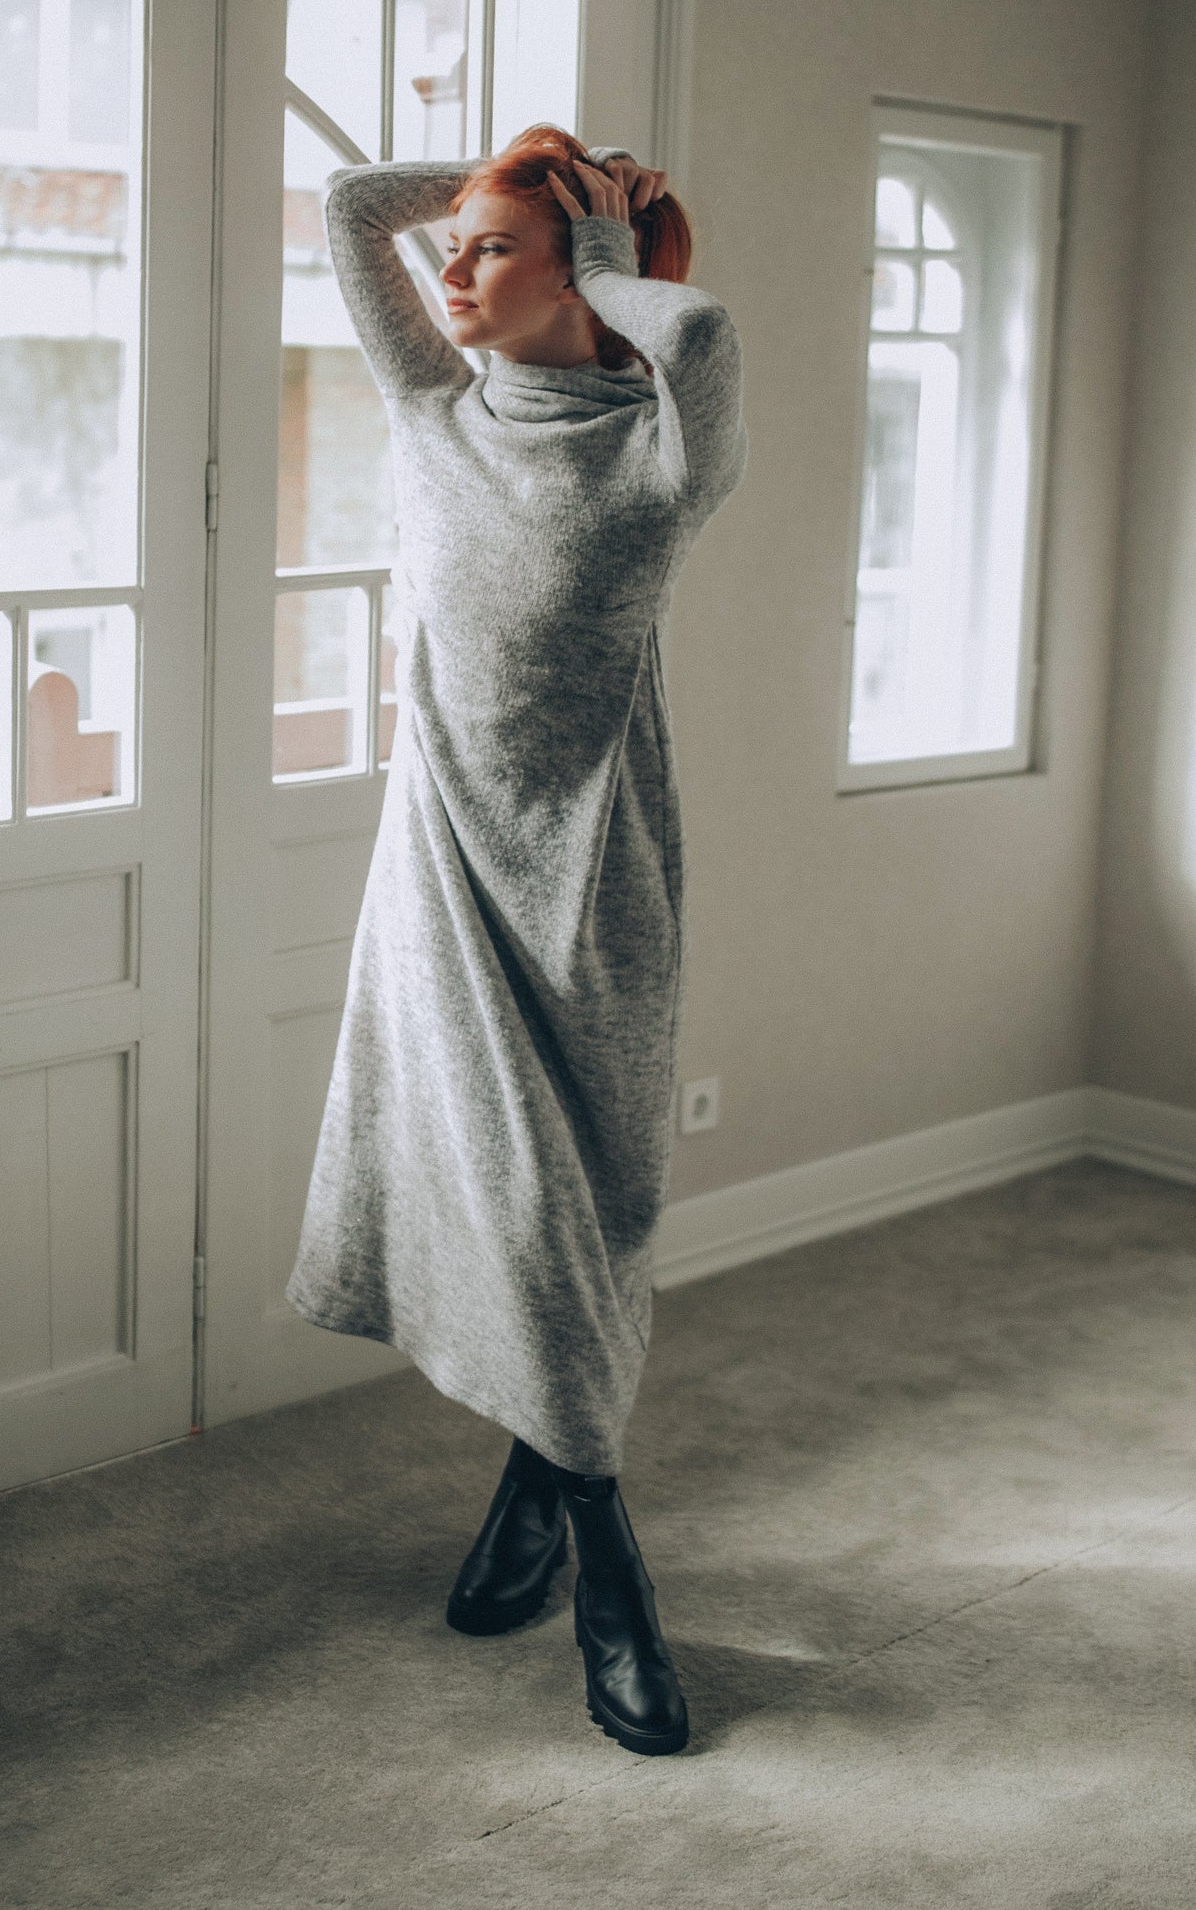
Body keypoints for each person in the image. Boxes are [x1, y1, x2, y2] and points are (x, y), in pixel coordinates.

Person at [286, 126, 748, 1756]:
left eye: (489, 251)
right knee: (512, 1201)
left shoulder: (658, 457)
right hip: (441, 877)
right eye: (459, 247)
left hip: (597, 879)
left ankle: (524, 1496)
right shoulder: (435, 412)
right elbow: (354, 207)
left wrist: (611, 248)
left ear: (583, 278)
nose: (449, 271)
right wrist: (510, 169)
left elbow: (695, 334)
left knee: (586, 1211)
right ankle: (606, 1557)